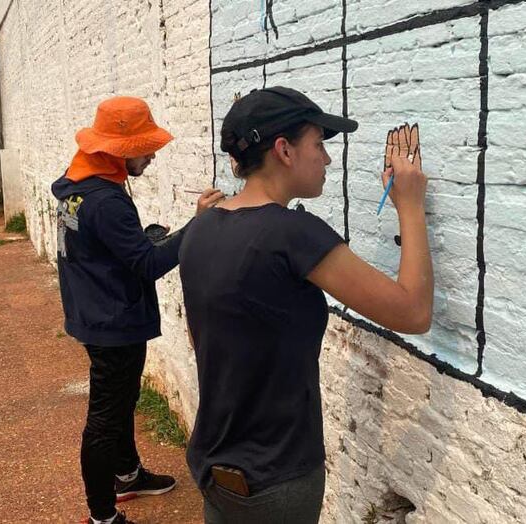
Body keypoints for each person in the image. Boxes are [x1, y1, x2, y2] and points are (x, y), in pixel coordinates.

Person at [178, 86, 433, 523]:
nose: (327, 160)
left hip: (215, 467)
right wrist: (410, 206)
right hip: (276, 480)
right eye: (318, 145)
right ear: (285, 150)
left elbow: (203, 336)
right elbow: (412, 313)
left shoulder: (201, 228)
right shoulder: (293, 234)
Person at [51, 96, 224, 524]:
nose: (150, 157)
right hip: (114, 321)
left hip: (92, 309)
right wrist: (197, 223)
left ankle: (127, 475)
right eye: (145, 149)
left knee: (123, 400)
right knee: (105, 417)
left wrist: (142, 237)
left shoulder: (76, 184)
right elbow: (148, 265)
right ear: (118, 150)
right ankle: (103, 517)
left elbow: (95, 247)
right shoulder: (107, 201)